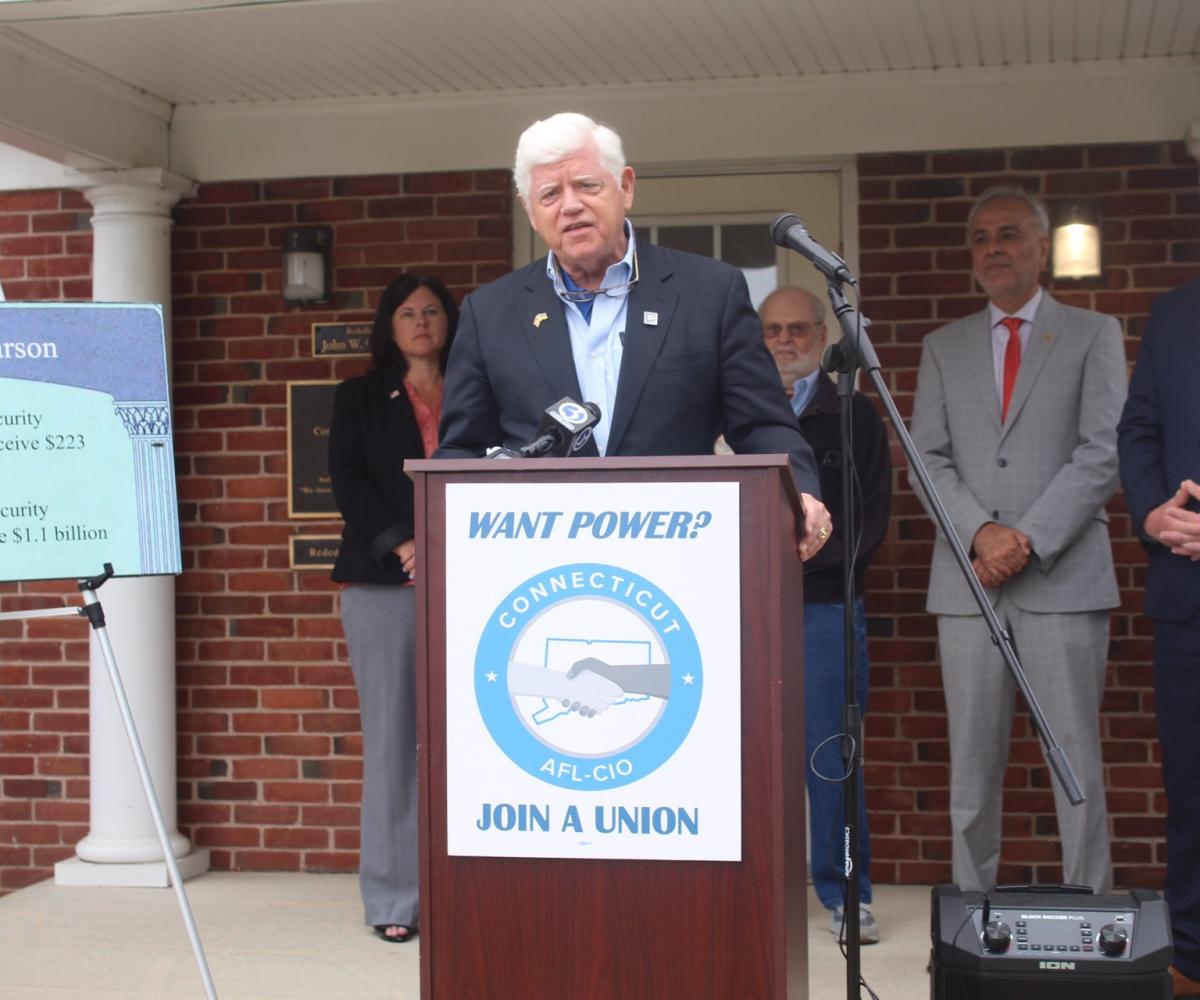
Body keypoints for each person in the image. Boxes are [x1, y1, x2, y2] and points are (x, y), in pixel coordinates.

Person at [435, 111, 832, 560]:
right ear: (530, 211)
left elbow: (763, 426)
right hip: (540, 566)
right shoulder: (489, 312)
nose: (570, 205)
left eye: (586, 185)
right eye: (549, 194)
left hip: (681, 554)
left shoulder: (709, 292)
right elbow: (461, 450)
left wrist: (801, 494)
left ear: (625, 187)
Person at [909, 185, 1125, 894]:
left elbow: (1103, 450)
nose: (992, 248)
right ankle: (972, 916)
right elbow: (926, 457)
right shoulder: (943, 347)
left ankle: (1091, 911)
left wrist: (1025, 538)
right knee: (971, 764)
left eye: (1008, 234)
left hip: (1062, 578)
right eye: (980, 238)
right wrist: (981, 532)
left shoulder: (1093, 333)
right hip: (970, 584)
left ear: (1041, 250)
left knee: (1075, 760)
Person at [759, 286, 892, 943]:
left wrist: (800, 567)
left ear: (821, 336)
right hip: (743, 610)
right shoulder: (738, 413)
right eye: (772, 330)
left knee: (829, 757)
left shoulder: (852, 413)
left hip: (823, 607)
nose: (784, 340)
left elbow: (869, 521)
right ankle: (750, 892)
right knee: (739, 755)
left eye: (798, 329)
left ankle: (846, 894)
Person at [328, 273, 458, 944]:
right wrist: (404, 544)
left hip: (473, 580)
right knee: (393, 742)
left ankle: (470, 890)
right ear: (390, 325)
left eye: (432, 310)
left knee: (479, 734)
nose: (421, 321)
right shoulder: (359, 396)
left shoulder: (477, 389)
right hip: (385, 586)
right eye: (407, 312)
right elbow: (348, 481)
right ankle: (395, 898)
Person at [1116, 279, 1200, 999]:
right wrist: (1151, 514)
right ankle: (1192, 959)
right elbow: (1139, 430)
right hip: (1186, 596)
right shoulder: (1174, 314)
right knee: (1192, 793)